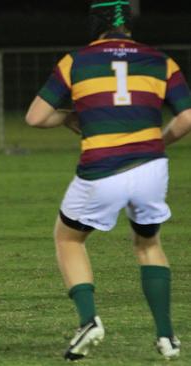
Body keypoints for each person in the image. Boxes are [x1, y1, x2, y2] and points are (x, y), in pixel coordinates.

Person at [25, 0, 191, 361]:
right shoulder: (162, 60)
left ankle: (88, 321)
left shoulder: (76, 61)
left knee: (68, 238)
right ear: (129, 25)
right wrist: (157, 142)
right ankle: (167, 338)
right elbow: (187, 118)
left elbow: (36, 117)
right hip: (151, 168)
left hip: (102, 167)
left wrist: (70, 117)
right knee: (148, 245)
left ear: (93, 25)